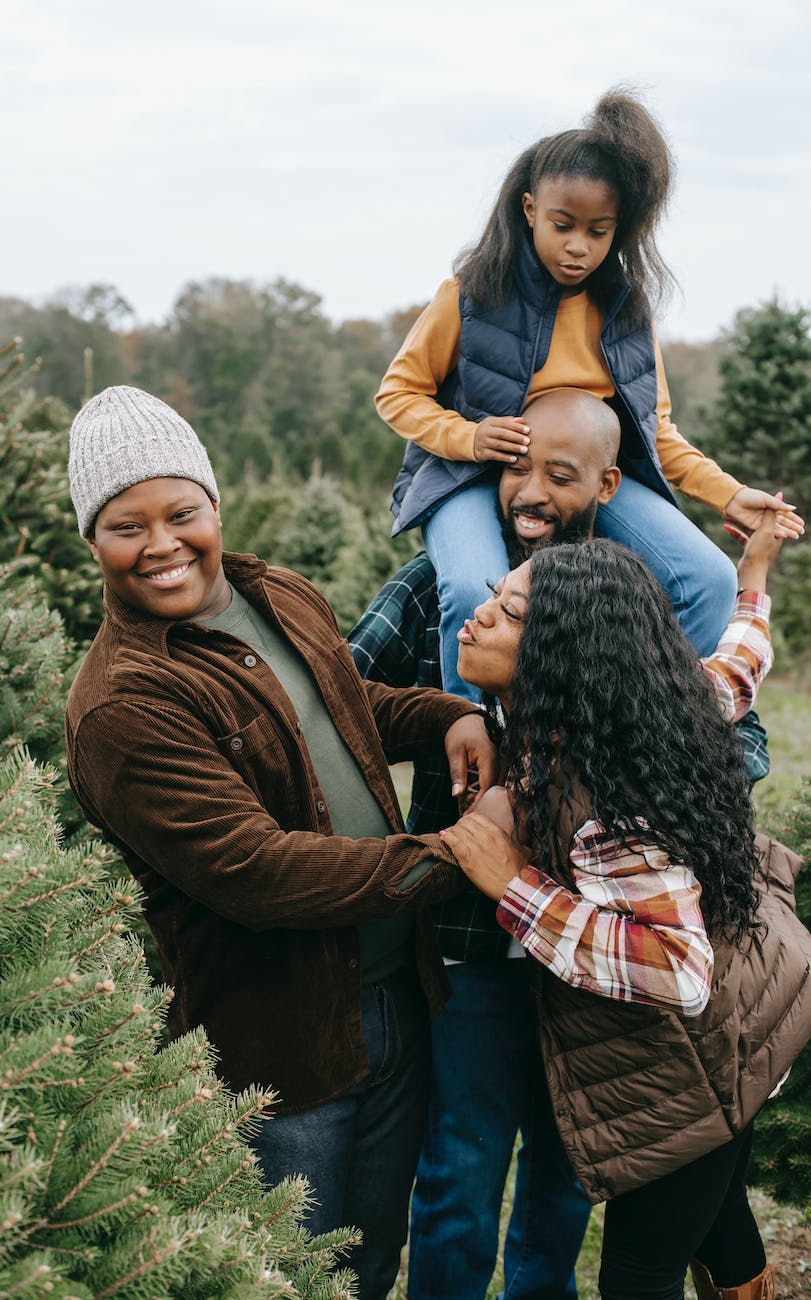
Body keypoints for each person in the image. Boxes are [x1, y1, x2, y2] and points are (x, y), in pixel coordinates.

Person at [64, 385, 499, 1300]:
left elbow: (344, 707)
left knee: (369, 1264)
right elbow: (253, 872)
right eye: (125, 526)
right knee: (285, 1281)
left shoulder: (277, 593)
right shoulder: (122, 703)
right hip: (281, 1050)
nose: (162, 545)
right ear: (90, 539)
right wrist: (458, 856)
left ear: (214, 507)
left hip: (394, 999)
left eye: (180, 513)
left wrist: (448, 715)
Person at [349, 387, 769, 1300]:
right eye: (515, 465)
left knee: (567, 1171)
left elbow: (721, 709)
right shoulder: (440, 587)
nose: (530, 492)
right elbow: (343, 700)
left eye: (560, 475)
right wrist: (448, 716)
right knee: (458, 1170)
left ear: (606, 486)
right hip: (468, 946)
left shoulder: (614, 596)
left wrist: (652, 785)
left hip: (590, 960)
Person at [442, 520, 811, 1300]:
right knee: (715, 1220)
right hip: (756, 1016)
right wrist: (753, 574)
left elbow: (678, 971)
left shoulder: (606, 806)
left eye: (509, 615)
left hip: (705, 1055)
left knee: (638, 1273)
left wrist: (514, 884)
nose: (477, 618)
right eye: (492, 599)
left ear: (559, 661)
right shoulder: (653, 709)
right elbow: (739, 666)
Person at [376, 88, 804, 702]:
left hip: (584, 475)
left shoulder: (627, 313)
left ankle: (650, 739)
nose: (578, 246)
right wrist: (469, 438)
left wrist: (730, 495)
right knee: (474, 588)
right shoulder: (470, 294)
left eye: (597, 232)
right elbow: (398, 394)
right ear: (529, 209)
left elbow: (654, 431)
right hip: (467, 475)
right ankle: (471, 745)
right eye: (563, 226)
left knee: (707, 578)